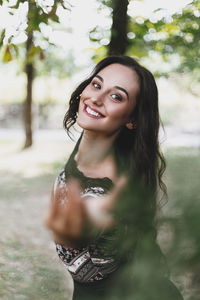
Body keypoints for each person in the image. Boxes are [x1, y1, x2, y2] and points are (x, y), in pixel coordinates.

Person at [45, 55, 183, 300]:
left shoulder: (107, 191)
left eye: (116, 96)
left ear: (132, 119)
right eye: (97, 85)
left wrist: (75, 230)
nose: (96, 99)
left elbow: (93, 214)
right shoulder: (95, 144)